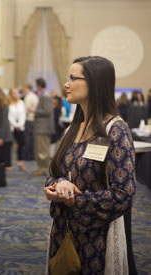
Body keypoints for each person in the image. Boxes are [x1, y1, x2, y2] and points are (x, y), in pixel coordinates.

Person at [43, 56, 136, 274]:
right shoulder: (71, 130)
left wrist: (73, 199)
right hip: (63, 232)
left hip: (96, 238)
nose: (66, 84)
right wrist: (57, 185)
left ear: (94, 83)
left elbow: (123, 196)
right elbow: (54, 174)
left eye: (73, 78)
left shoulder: (115, 130)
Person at [32, 77, 55, 176]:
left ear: (39, 85)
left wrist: (34, 111)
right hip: (42, 126)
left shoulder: (45, 95)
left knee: (43, 149)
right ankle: (42, 168)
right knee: (41, 149)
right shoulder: (45, 94)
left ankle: (43, 168)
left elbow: (47, 111)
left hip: (43, 127)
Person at [8, 88, 27, 171]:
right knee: (9, 145)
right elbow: (8, 116)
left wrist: (20, 124)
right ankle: (8, 164)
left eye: (17, 93)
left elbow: (23, 114)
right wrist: (15, 125)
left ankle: (20, 162)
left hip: (20, 127)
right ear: (11, 94)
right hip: (12, 127)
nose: (16, 95)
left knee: (21, 144)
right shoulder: (8, 104)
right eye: (14, 93)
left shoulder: (21, 103)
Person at [21, 83, 39, 160]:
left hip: (28, 119)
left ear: (26, 88)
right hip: (33, 119)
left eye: (23, 87)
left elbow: (26, 109)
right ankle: (32, 155)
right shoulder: (34, 96)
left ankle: (28, 156)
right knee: (31, 139)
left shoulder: (28, 97)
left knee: (28, 139)